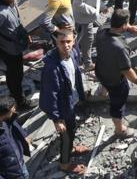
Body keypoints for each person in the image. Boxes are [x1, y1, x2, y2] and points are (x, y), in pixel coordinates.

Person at [40, 28, 89, 174]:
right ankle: (65, 163)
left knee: (72, 128)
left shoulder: (73, 53)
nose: (66, 45)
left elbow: (76, 75)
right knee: (66, 135)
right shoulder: (52, 68)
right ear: (56, 42)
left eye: (69, 41)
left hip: (70, 101)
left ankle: (70, 148)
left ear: (74, 40)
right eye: (62, 42)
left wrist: (79, 96)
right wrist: (57, 119)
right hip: (62, 108)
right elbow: (50, 95)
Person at [95, 9, 137, 139]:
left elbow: (117, 25)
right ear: (123, 24)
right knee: (117, 103)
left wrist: (129, 28)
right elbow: (127, 70)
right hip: (114, 80)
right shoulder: (120, 48)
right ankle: (120, 130)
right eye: (126, 24)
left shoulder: (101, 30)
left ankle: (102, 91)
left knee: (105, 83)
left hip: (101, 70)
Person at [73, 0, 111, 71]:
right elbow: (77, 3)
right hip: (80, 20)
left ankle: (88, 64)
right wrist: (95, 11)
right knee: (74, 44)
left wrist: (102, 6)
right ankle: (74, 65)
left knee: (88, 41)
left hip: (88, 18)